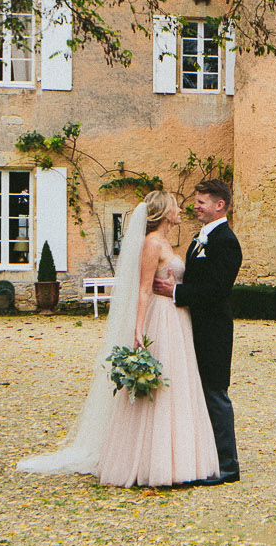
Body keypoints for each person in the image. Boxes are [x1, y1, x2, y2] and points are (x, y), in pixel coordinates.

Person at [16, 189, 219, 487]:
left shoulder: (168, 243)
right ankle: (150, 462)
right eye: (175, 206)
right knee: (159, 385)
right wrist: (138, 329)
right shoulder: (152, 243)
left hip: (178, 318)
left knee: (177, 384)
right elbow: (143, 290)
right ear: (164, 213)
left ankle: (179, 460)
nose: (181, 210)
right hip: (160, 318)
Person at [157, 176, 241, 484]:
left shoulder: (226, 241)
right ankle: (205, 459)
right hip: (193, 326)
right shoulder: (199, 238)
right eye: (196, 202)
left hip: (214, 330)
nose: (196, 207)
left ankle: (228, 466)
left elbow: (217, 289)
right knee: (198, 393)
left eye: (201, 202)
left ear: (220, 205)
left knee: (215, 393)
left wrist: (177, 293)